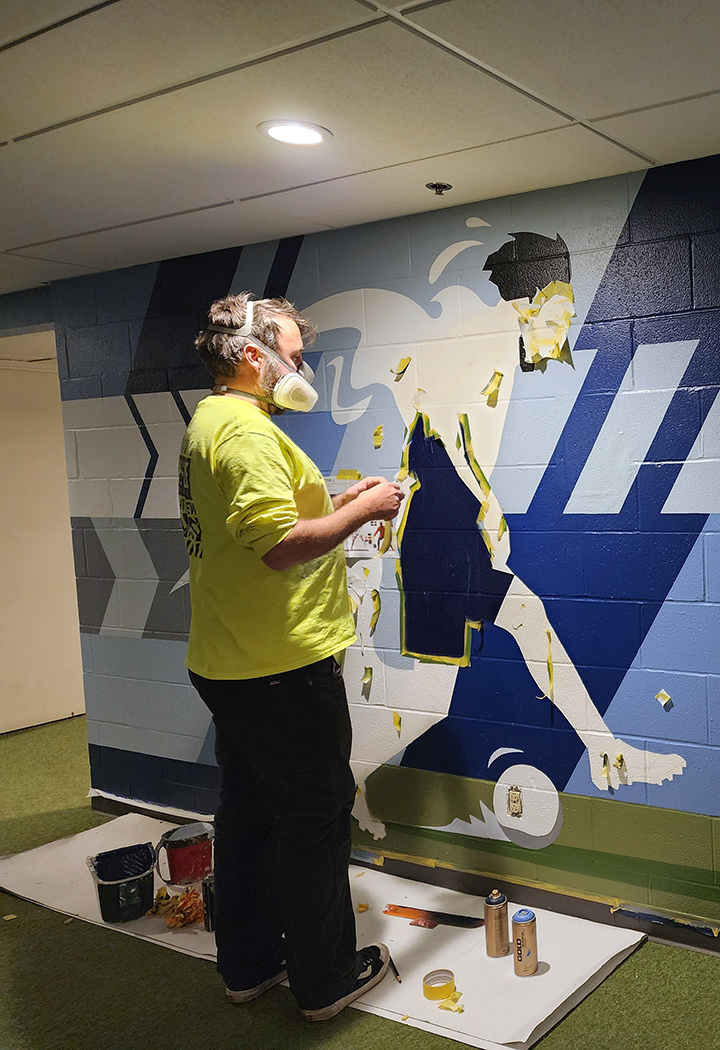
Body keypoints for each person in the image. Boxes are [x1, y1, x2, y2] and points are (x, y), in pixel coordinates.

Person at [180, 292, 402, 1018]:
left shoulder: (214, 420)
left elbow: (258, 524)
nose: (300, 371)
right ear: (253, 355)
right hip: (280, 667)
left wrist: (337, 501)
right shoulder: (245, 431)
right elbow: (278, 546)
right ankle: (325, 980)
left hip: (233, 660)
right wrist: (364, 511)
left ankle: (248, 965)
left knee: (249, 816)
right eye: (294, 357)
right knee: (314, 820)